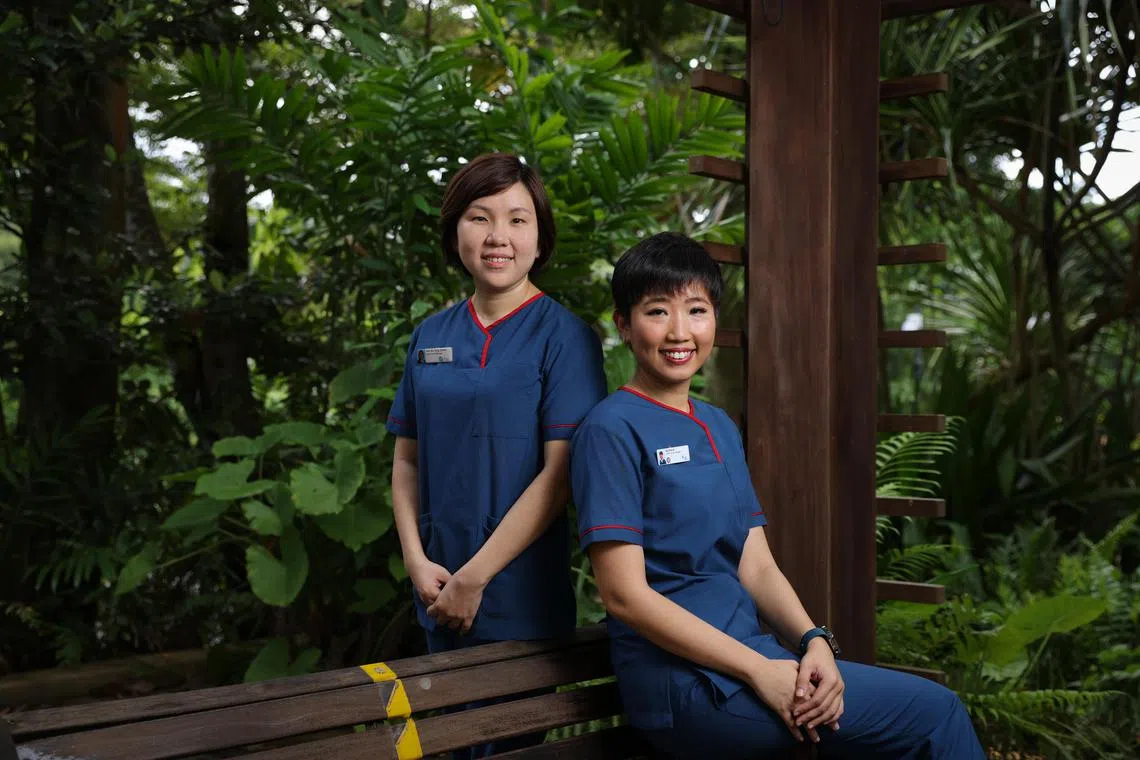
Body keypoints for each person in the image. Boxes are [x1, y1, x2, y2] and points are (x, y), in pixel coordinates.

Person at [570, 232, 986, 759]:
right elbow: (624, 596)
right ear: (624, 326)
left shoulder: (717, 427)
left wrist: (814, 641)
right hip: (682, 686)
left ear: (715, 321)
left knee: (903, 720)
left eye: (696, 310)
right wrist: (758, 670)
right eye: (657, 312)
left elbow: (756, 564)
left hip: (756, 661)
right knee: (935, 715)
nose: (680, 331)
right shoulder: (610, 430)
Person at [386, 153, 608, 757]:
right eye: (480, 218)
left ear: (540, 238)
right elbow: (406, 461)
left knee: (507, 746)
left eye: (517, 219)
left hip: (517, 596)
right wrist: (416, 559)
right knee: (447, 741)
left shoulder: (566, 338)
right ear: (455, 230)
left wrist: (475, 578)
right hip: (436, 589)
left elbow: (559, 476)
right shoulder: (430, 336)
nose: (497, 237)